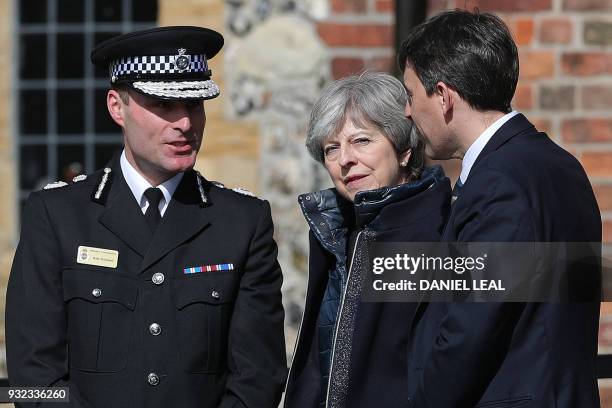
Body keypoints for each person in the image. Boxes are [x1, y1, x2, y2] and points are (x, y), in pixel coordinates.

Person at [6, 26, 286, 408]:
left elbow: (259, 377)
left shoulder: (241, 223)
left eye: (194, 105)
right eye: (164, 106)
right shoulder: (58, 217)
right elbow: (32, 378)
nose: (185, 123)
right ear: (117, 108)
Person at [399, 9, 601, 407]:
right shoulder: (558, 163)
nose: (408, 111)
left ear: (443, 96)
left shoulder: (498, 183)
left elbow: (470, 330)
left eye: (410, 95)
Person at [283, 71, 451, 408]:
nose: (345, 159)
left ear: (404, 148)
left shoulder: (444, 230)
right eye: (331, 149)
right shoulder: (332, 232)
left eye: (361, 140)